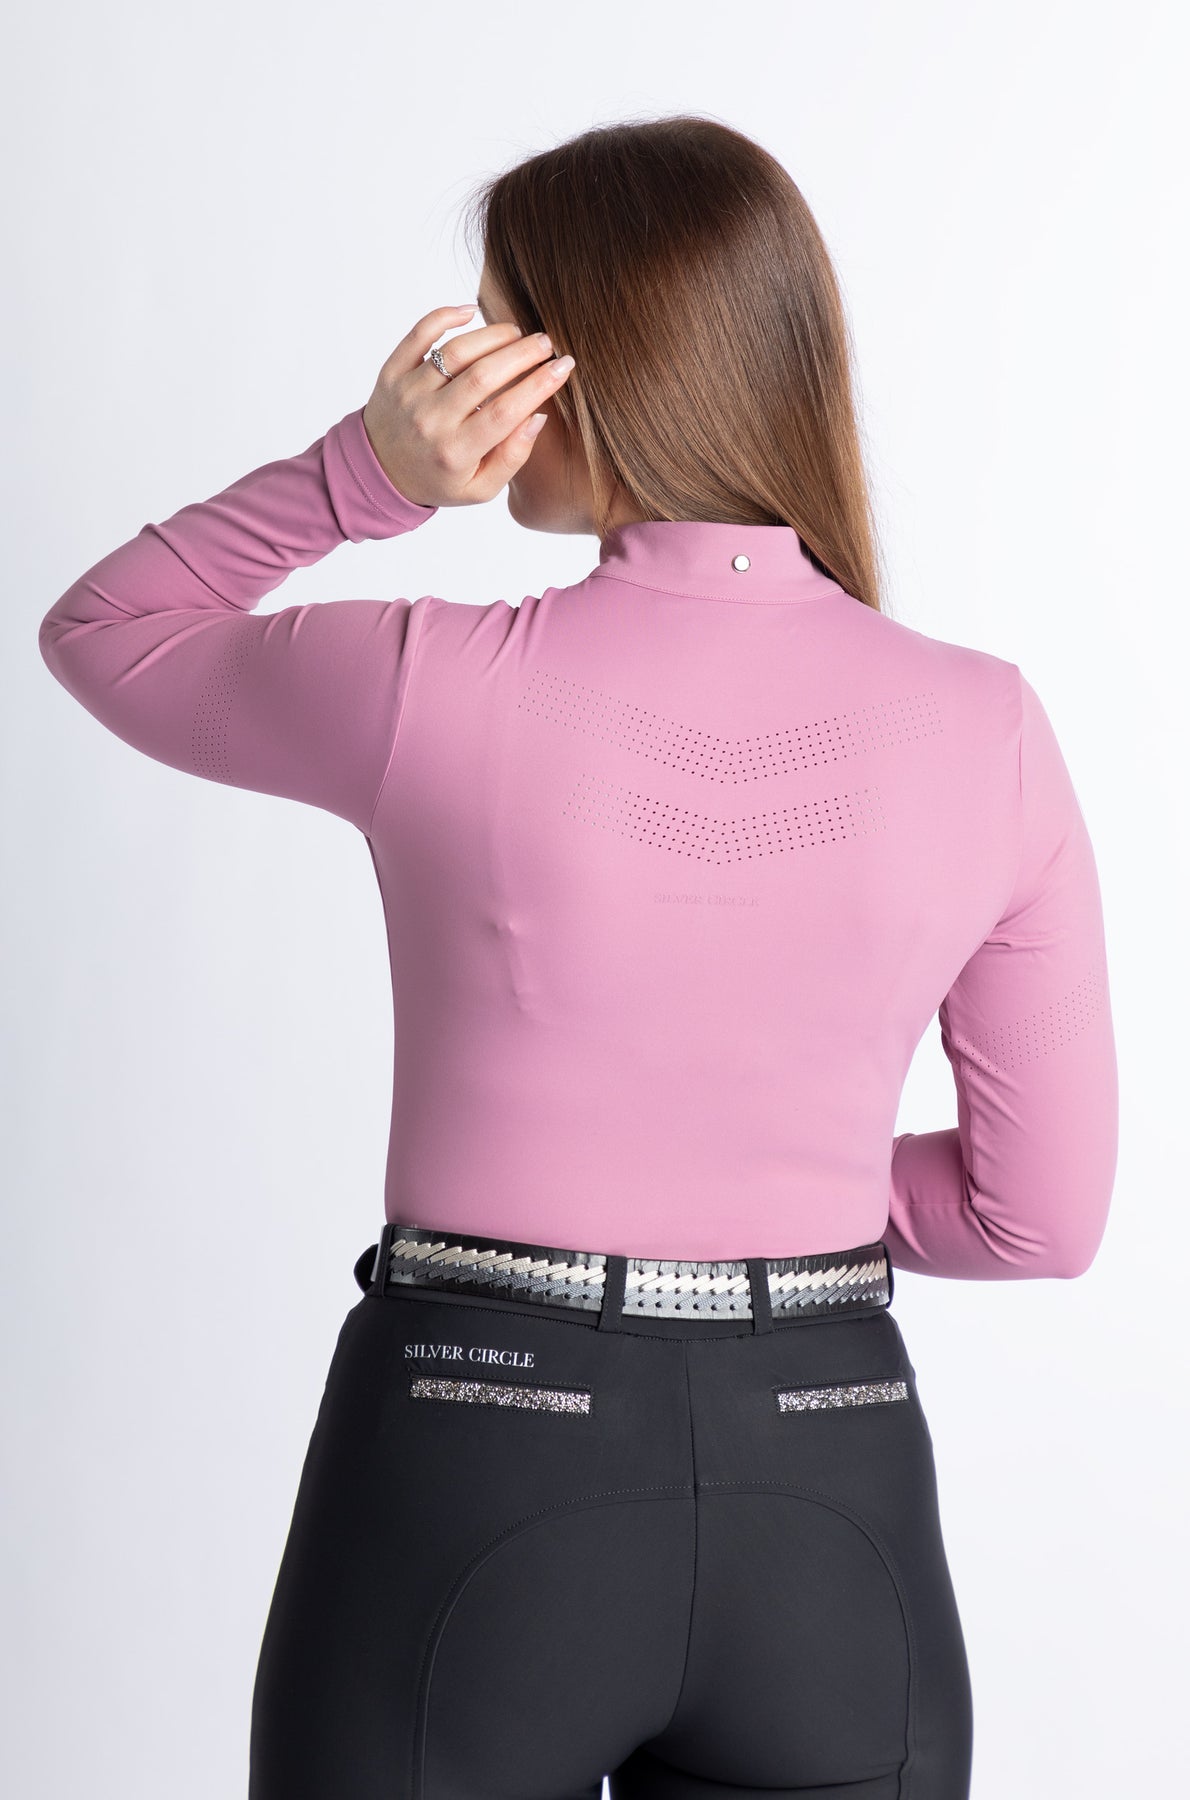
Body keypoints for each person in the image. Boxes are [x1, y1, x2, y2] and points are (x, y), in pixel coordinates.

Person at [37, 114, 1118, 1799]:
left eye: (490, 331)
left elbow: (106, 631)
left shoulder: (427, 681)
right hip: (832, 1494)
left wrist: (366, 474)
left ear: (585, 361)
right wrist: (780, 1178)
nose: (459, 377)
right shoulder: (984, 727)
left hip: (473, 1458)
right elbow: (1033, 1216)